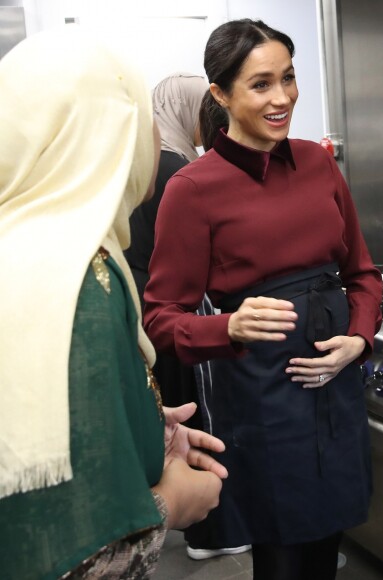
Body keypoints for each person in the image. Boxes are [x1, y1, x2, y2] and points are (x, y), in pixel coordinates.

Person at [143, 18, 383, 580]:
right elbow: (160, 319)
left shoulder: (320, 163)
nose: (282, 98)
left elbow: (363, 274)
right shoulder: (193, 189)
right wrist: (227, 328)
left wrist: (359, 338)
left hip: (338, 390)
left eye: (289, 78)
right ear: (220, 94)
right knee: (280, 555)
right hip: (264, 402)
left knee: (328, 545)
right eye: (261, 84)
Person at [0, 28, 227, 579]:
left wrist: (145, 426)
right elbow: (82, 551)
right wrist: (173, 505)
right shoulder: (81, 283)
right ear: (107, 137)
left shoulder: (26, 248)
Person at [124, 72, 251, 561]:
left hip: (149, 305)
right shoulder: (177, 167)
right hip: (175, 307)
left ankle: (197, 522)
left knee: (175, 410)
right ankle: (211, 529)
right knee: (199, 411)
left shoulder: (155, 158)